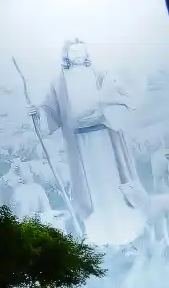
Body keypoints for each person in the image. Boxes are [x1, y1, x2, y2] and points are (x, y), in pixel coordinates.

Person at [28, 38, 146, 247]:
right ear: (67, 55)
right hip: (81, 146)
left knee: (113, 183)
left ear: (86, 53)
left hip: (105, 139)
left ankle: (127, 231)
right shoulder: (59, 82)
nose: (78, 55)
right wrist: (37, 112)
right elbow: (49, 109)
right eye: (74, 52)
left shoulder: (100, 74)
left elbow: (119, 95)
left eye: (81, 51)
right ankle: (99, 237)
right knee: (91, 188)